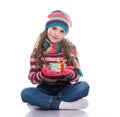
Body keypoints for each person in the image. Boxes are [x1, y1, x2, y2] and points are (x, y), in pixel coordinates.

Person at [21, 10, 89, 110]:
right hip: (45, 88)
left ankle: (44, 102)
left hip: (65, 88)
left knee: (84, 86)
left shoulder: (69, 49)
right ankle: (64, 105)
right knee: (26, 93)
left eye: (62, 31)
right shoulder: (37, 51)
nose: (57, 34)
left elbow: (76, 78)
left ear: (65, 34)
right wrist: (43, 75)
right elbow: (32, 78)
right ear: (47, 28)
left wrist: (69, 73)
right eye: (54, 28)